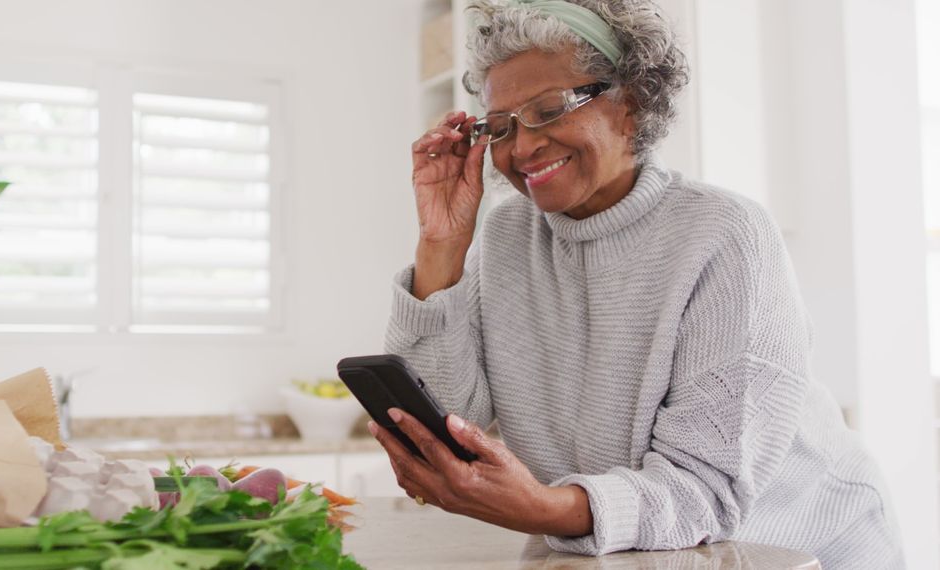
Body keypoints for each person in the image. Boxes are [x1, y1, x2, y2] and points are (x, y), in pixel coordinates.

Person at [367, 0, 905, 568]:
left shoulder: (722, 234)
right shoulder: (505, 237)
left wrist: (546, 508)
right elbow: (449, 423)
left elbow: (706, 490)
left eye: (549, 109)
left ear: (634, 103)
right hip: (634, 548)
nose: (522, 149)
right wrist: (442, 244)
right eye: (501, 128)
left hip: (798, 545)